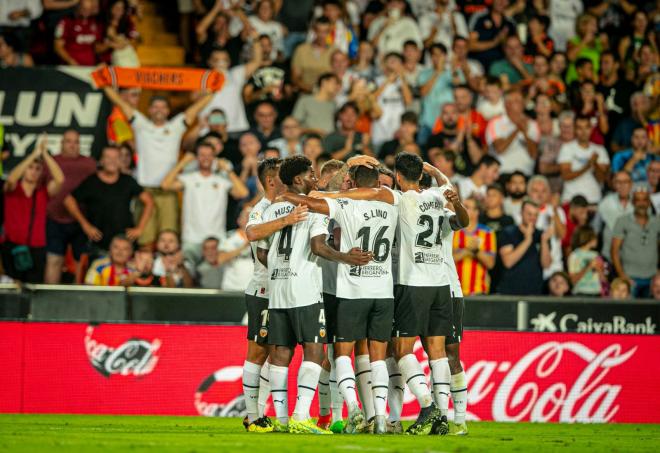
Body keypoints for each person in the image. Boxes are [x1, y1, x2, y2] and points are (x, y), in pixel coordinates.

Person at [312, 154, 468, 435]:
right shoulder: (435, 196)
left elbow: (358, 191)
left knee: (398, 351)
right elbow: (457, 210)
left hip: (406, 284)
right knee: (437, 354)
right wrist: (434, 172)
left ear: (396, 177)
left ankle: (421, 408)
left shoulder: (396, 199)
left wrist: (349, 172)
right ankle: (444, 416)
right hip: (441, 285)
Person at [280, 163, 398, 435]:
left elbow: (311, 205)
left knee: (341, 354)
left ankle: (354, 410)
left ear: (353, 181)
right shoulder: (393, 203)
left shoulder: (345, 205)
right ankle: (379, 416)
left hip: (351, 291)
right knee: (376, 358)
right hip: (383, 291)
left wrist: (287, 196)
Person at [256, 155, 370, 433]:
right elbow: (319, 247)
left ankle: (282, 420)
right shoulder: (313, 209)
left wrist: (279, 269)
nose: (314, 179)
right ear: (297, 179)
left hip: (278, 290)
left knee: (280, 353)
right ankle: (300, 415)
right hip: (304, 290)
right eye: (309, 174)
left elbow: (261, 252)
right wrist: (346, 258)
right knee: (315, 352)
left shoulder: (273, 209)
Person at [240, 158, 309, 432]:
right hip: (264, 290)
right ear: (271, 181)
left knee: (277, 354)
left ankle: (260, 412)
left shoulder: (286, 204)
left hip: (282, 292)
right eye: (283, 175)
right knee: (257, 352)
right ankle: (252, 416)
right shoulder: (262, 209)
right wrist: (286, 220)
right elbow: (253, 235)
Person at [102, 86, 214, 248]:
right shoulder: (140, 123)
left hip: (168, 191)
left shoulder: (176, 125)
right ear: (149, 109)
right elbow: (119, 102)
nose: (159, 109)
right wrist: (104, 83)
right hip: (144, 191)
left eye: (163, 106)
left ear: (168, 111)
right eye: (155, 106)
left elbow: (196, 108)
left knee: (169, 239)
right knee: (145, 240)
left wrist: (214, 89)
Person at [160, 142, 249, 261]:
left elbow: (243, 193)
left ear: (214, 157)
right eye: (202, 155)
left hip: (216, 239)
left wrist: (228, 170)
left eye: (209, 155)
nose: (206, 158)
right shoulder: (189, 178)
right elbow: (165, 185)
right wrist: (183, 162)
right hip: (191, 238)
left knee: (213, 277)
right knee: (190, 275)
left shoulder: (221, 180)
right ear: (196, 158)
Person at [63, 146, 153, 256]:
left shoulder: (128, 181)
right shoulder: (92, 182)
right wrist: (85, 225)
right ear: (101, 161)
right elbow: (68, 200)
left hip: (125, 245)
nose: (112, 161)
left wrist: (140, 228)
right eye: (108, 157)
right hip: (99, 245)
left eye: (116, 158)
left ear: (120, 161)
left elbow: (149, 201)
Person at [2, 137, 63, 283]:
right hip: (12, 245)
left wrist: (45, 155)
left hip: (36, 248)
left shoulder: (42, 193)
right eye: (30, 168)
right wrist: (33, 156)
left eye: (38, 169)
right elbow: (11, 179)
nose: (34, 172)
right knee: (10, 287)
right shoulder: (13, 189)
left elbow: (60, 180)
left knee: (33, 288)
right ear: (24, 170)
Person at [44, 130, 97, 284]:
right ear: (61, 144)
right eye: (68, 141)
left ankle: (78, 297)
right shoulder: (51, 162)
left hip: (81, 220)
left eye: (76, 142)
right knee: (54, 260)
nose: (72, 145)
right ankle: (49, 297)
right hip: (54, 219)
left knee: (81, 262)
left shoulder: (89, 164)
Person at [496, 199, 553, 295]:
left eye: (535, 215)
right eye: (529, 214)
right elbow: (508, 262)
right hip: (510, 291)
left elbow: (546, 264)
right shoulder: (508, 232)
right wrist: (527, 240)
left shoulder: (542, 236)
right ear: (521, 213)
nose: (532, 218)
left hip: (534, 292)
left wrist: (544, 241)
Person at [611, 188, 659, 298]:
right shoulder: (622, 221)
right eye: (638, 200)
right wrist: (622, 276)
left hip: (652, 278)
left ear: (649, 202)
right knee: (629, 313)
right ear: (632, 202)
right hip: (630, 278)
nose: (641, 204)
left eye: (645, 200)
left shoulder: (657, 222)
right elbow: (614, 251)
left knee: (650, 314)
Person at [485, 90, 539, 176]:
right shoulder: (495, 122)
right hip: (501, 173)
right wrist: (517, 130)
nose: (521, 103)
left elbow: (534, 154)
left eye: (521, 100)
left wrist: (525, 133)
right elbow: (499, 149)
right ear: (507, 104)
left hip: (526, 174)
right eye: (517, 101)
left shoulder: (533, 124)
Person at [558, 115, 610, 204]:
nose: (583, 132)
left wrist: (595, 164)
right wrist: (588, 165)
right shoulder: (566, 148)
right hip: (570, 200)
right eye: (579, 128)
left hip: (594, 199)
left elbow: (602, 179)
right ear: (574, 129)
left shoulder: (600, 150)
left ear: (591, 129)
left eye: (587, 127)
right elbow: (566, 176)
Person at [452, 197, 496, 295]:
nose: (462, 209)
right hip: (455, 290)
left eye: (467, 207)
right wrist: (467, 251)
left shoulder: (487, 233)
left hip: (478, 291)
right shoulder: (453, 231)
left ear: (476, 212)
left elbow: (490, 263)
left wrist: (476, 251)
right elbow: (447, 260)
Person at [527, 175, 567, 279]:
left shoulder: (557, 211)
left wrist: (554, 211)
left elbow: (562, 235)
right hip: (530, 266)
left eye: (544, 191)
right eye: (535, 191)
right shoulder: (522, 212)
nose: (540, 195)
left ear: (549, 193)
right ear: (529, 193)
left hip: (554, 268)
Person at [371, 52, 413, 149]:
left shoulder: (404, 83)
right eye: (391, 61)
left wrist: (401, 78)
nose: (394, 64)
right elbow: (371, 99)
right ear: (384, 65)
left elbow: (409, 101)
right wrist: (387, 82)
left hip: (398, 134)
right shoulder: (376, 81)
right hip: (379, 132)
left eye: (397, 62)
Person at [417, 43, 457, 144]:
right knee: (421, 156)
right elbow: (423, 92)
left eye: (440, 54)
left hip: (448, 123)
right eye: (434, 55)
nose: (437, 58)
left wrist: (453, 67)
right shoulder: (424, 74)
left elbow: (458, 82)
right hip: (427, 122)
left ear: (445, 56)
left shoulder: (452, 73)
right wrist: (438, 72)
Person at [467, 0, 516, 71]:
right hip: (478, 66)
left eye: (505, 0)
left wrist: (504, 42)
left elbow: (515, 49)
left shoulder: (510, 23)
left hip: (501, 68)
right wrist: (495, 42)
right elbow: (469, 46)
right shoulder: (479, 18)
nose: (501, 2)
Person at [291, 16, 335, 94]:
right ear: (314, 31)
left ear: (330, 32)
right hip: (305, 93)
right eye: (319, 31)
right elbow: (295, 78)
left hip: (328, 95)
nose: (322, 35)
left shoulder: (334, 51)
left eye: (325, 31)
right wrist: (312, 89)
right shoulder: (301, 50)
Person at [596, 171, 634, 260]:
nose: (622, 185)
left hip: (633, 257)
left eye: (625, 182)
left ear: (631, 184)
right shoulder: (605, 203)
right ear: (614, 184)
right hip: (609, 255)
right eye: (618, 182)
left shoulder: (640, 202)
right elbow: (596, 229)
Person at [53, 0, 103, 65]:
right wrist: (71, 61)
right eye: (84, 9)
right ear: (78, 7)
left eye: (89, 9)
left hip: (89, 67)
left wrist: (109, 44)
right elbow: (58, 47)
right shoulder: (67, 22)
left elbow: (97, 48)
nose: (86, 12)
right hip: (71, 67)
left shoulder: (94, 23)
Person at [218, 207, 252, 291]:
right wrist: (244, 246)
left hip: (253, 289)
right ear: (239, 220)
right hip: (232, 287)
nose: (249, 218)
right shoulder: (229, 236)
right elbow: (220, 259)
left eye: (252, 216)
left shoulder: (263, 238)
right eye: (246, 216)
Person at [568, 226, 607, 296]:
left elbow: (604, 280)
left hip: (596, 292)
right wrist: (588, 267)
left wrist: (599, 269)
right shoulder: (574, 256)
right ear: (587, 237)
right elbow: (572, 280)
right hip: (581, 292)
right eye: (594, 237)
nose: (596, 239)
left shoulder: (596, 255)